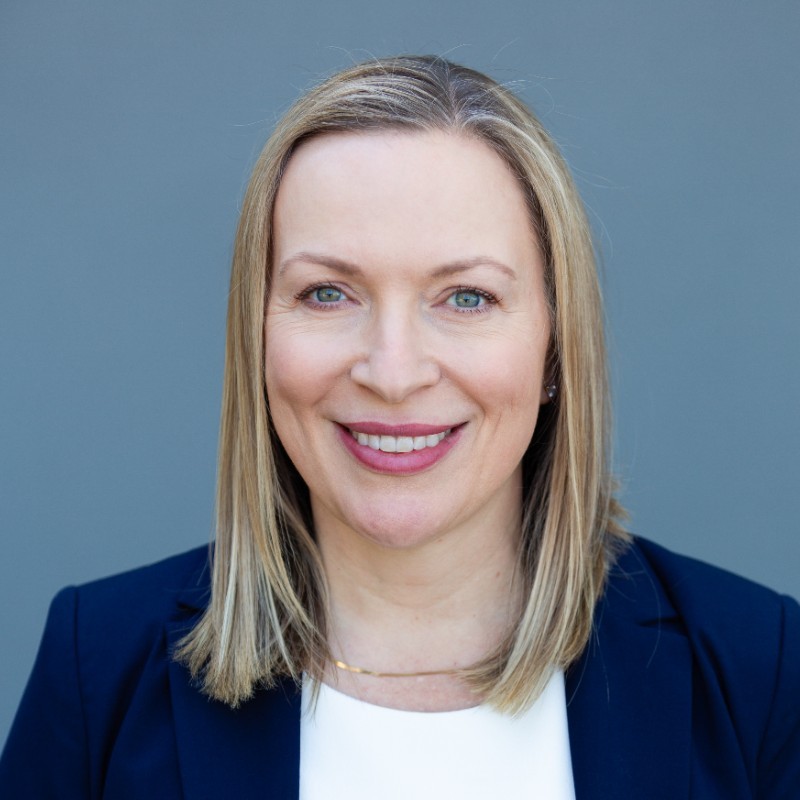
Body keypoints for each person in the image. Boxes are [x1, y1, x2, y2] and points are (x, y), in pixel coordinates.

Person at [1, 55, 798, 799]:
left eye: (467, 298)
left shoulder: (761, 670)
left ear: (556, 349)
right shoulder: (97, 668)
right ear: (256, 337)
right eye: (327, 293)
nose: (392, 372)